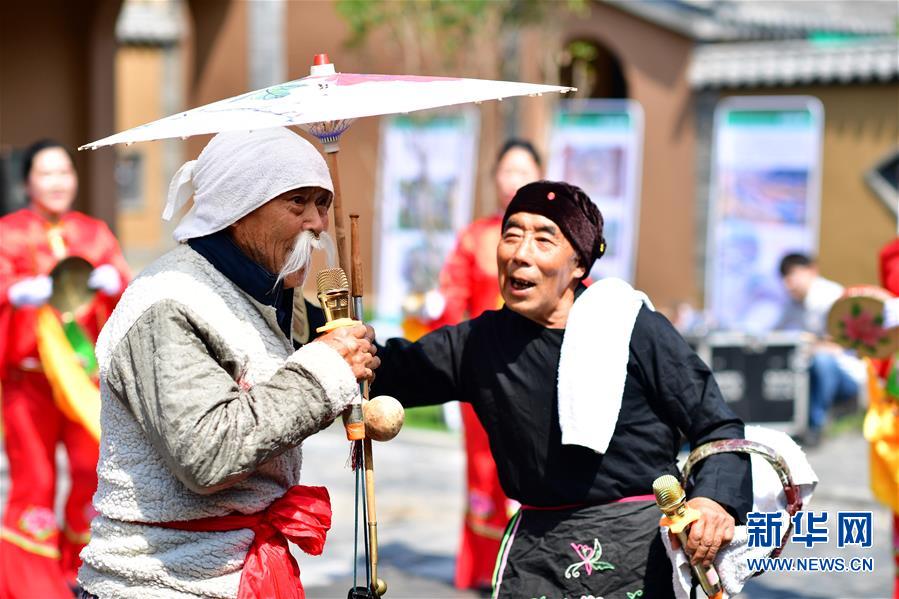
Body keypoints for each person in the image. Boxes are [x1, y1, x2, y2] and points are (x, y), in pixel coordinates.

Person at [373, 181, 752, 598]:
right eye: (512, 235)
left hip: (640, 550)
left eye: (543, 239)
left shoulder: (632, 327)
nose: (520, 253)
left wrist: (714, 502)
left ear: (577, 264)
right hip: (537, 555)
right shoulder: (481, 343)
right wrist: (317, 322)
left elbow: (719, 427)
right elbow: (389, 370)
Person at [76, 128, 379, 598]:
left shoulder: (268, 295)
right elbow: (208, 454)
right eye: (298, 202)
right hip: (160, 586)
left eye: (323, 203)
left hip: (240, 573)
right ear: (239, 209)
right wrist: (325, 372)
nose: (318, 223)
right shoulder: (169, 301)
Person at [0, 139, 130, 598]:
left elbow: (123, 288)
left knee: (89, 472)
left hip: (84, 381)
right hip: (29, 382)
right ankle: (31, 586)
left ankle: (84, 571)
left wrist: (116, 284)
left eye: (64, 172)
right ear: (26, 182)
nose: (57, 182)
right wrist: (14, 291)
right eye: (46, 173)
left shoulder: (94, 232)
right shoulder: (8, 233)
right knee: (34, 478)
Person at [428, 139, 542, 590]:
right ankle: (485, 566)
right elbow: (451, 298)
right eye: (507, 171)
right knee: (485, 465)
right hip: (484, 374)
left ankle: (532, 561)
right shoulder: (475, 236)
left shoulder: (555, 237)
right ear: (494, 178)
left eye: (523, 171)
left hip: (537, 374)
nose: (513, 180)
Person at [777, 253, 865, 445]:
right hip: (813, 373)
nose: (788, 282)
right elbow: (776, 333)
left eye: (792, 274)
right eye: (784, 276)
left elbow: (851, 343)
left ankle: (815, 427)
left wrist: (813, 345)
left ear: (811, 270)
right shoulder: (793, 303)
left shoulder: (831, 296)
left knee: (821, 360)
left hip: (848, 376)